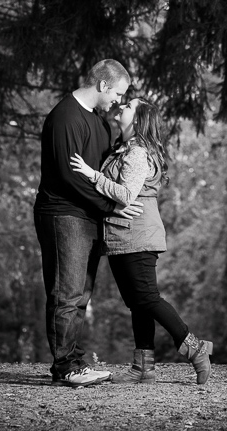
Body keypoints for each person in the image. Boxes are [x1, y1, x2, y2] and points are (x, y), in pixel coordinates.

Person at [70, 97, 213, 385]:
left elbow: (125, 194)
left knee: (147, 298)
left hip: (137, 234)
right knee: (138, 303)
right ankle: (143, 367)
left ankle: (194, 347)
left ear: (137, 120)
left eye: (129, 106)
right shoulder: (121, 149)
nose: (121, 107)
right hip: (124, 235)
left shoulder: (136, 153)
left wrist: (90, 174)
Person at [33, 59, 143, 387]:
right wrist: (111, 207)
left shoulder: (101, 125)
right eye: (118, 93)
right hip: (62, 215)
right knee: (65, 293)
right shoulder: (65, 116)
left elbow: (103, 174)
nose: (118, 101)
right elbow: (69, 177)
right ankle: (64, 367)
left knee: (81, 295)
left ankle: (75, 361)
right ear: (102, 85)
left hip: (89, 217)